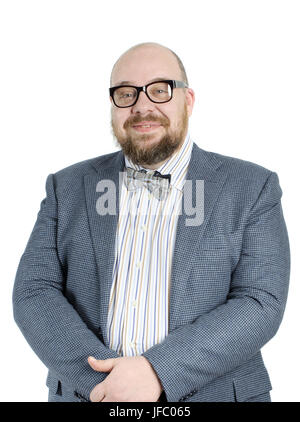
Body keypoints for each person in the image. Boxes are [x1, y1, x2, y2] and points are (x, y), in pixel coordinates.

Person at [13, 42, 290, 402]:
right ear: (112, 106)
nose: (143, 106)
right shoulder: (66, 187)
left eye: (160, 90)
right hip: (92, 395)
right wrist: (111, 383)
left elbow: (260, 301)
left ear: (188, 100)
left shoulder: (252, 186)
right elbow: (33, 292)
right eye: (126, 94)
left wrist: (158, 372)